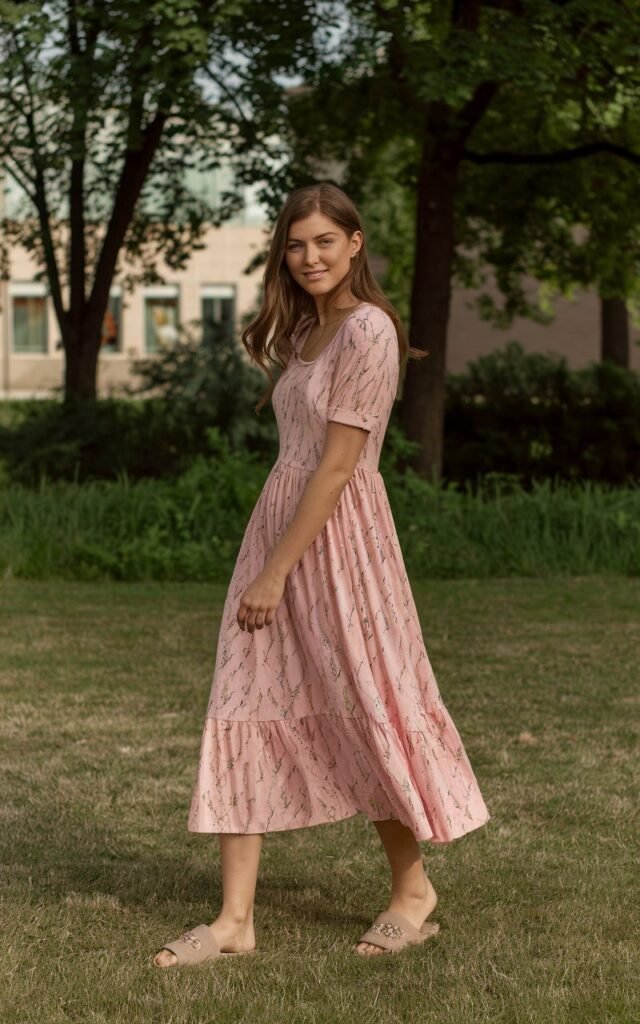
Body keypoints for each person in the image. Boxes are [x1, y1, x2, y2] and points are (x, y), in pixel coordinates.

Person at [154, 182, 490, 967]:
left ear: (356, 243)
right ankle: (235, 920)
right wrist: (266, 560)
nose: (309, 257)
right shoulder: (307, 329)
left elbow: (339, 466)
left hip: (337, 543)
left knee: (360, 700)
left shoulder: (368, 330)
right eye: (296, 245)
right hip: (279, 527)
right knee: (241, 701)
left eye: (324, 242)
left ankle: (414, 891)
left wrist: (274, 573)